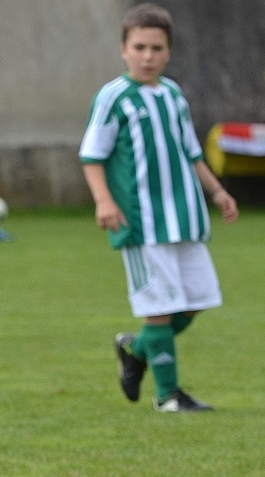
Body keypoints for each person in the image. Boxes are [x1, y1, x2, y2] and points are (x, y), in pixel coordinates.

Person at [80, 3, 238, 413]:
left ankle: (136, 349)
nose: (148, 56)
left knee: (198, 299)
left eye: (156, 48)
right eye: (140, 47)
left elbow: (191, 152)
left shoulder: (173, 95)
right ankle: (168, 396)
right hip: (141, 221)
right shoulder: (113, 97)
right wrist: (104, 201)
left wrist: (217, 192)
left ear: (168, 51)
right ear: (124, 49)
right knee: (159, 308)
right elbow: (92, 155)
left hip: (184, 217)